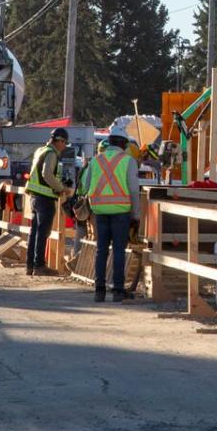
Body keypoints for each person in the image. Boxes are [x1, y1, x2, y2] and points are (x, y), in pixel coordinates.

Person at [79, 125, 140, 302]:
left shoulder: (95, 161)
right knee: (119, 251)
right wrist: (136, 215)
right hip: (121, 212)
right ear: (124, 144)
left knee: (101, 250)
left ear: (109, 142)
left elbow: (86, 185)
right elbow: (134, 191)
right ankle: (118, 291)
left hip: (99, 212)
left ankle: (99, 290)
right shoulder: (128, 161)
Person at [25, 128, 73, 276]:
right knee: (42, 232)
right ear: (59, 140)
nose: (64, 146)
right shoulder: (51, 154)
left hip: (35, 197)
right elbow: (47, 174)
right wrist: (62, 188)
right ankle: (39, 266)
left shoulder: (41, 150)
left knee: (34, 232)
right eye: (64, 143)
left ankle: (30, 266)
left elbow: (41, 174)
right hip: (45, 198)